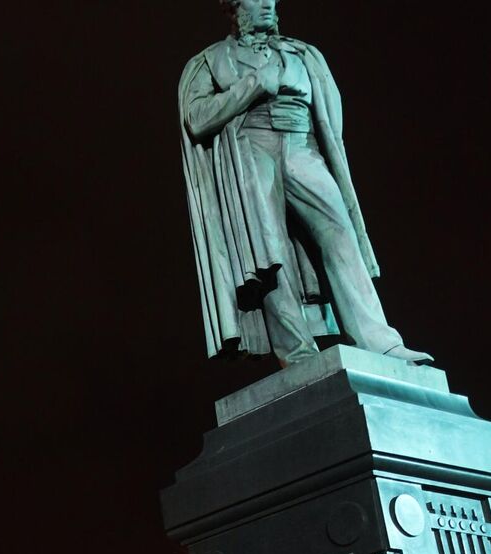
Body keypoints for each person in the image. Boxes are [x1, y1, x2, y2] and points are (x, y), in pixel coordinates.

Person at [178, 0, 433, 368]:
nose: (267, 3)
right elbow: (197, 117)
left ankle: (380, 342)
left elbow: (328, 115)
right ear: (234, 5)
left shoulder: (302, 53)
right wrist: (253, 85)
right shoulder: (211, 60)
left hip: (302, 145)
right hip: (252, 148)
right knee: (269, 251)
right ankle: (298, 356)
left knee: (339, 231)